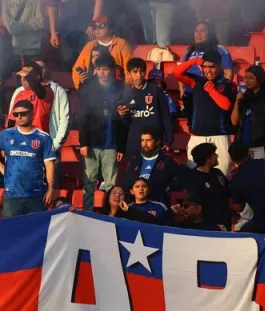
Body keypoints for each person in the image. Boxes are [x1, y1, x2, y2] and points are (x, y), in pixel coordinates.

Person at [0, 98, 56, 216]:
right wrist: (1, 167)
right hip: (12, 194)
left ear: (32, 113)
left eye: (23, 114)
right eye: (16, 114)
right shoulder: (7, 134)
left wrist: (50, 189)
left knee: (34, 231)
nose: (19, 117)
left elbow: (49, 165)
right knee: (11, 231)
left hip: (36, 194)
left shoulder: (43, 137)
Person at [173, 50, 237, 175]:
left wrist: (212, 91)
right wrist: (195, 61)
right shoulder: (197, 81)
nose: (208, 70)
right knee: (194, 177)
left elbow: (227, 105)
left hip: (220, 137)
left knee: (221, 177)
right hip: (198, 137)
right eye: (205, 67)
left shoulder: (228, 84)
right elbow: (176, 72)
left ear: (219, 66)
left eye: (212, 67)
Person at [77, 56, 123, 212]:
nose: (102, 73)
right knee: (89, 182)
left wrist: (121, 147)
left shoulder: (120, 87)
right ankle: (87, 213)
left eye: (105, 69)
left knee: (111, 184)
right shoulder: (88, 88)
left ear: (112, 70)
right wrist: (83, 143)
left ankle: (112, 214)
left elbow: (125, 119)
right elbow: (82, 117)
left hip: (112, 142)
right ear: (95, 71)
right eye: (99, 69)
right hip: (92, 143)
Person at [119, 126, 184, 204]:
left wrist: (169, 187)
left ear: (157, 141)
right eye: (142, 140)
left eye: (148, 140)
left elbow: (185, 176)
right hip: (135, 205)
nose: (145, 144)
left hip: (158, 204)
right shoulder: (134, 160)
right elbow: (127, 182)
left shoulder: (167, 160)